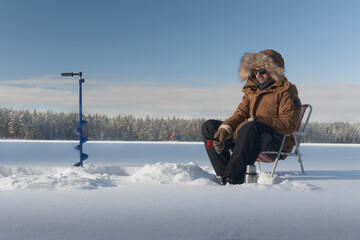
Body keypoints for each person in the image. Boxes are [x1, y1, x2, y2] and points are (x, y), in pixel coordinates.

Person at [201, 49, 301, 185]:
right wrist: (225, 128)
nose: (258, 74)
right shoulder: (251, 90)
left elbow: (288, 125)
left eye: (263, 71)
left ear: (274, 70)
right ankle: (225, 175)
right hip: (248, 137)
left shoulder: (286, 90)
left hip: (277, 141)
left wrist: (258, 120)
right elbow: (240, 114)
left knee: (252, 127)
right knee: (210, 127)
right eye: (255, 71)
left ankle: (233, 180)